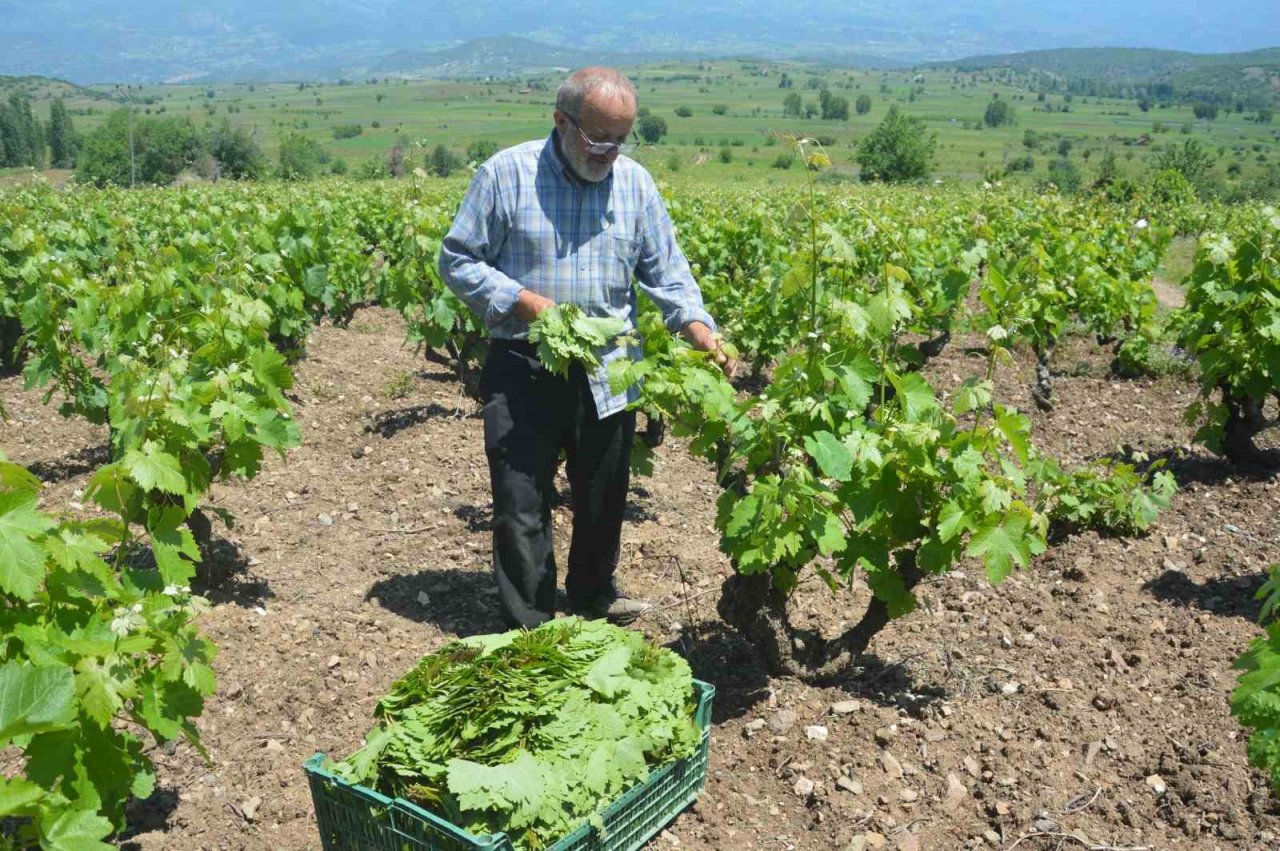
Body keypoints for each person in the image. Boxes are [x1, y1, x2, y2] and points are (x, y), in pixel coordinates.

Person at [438, 66, 729, 630]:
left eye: (621, 139)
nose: (609, 152)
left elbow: (667, 272)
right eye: (598, 138)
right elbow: (457, 260)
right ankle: (531, 621)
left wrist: (695, 325)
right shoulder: (506, 175)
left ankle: (594, 593)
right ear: (560, 121)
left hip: (611, 369)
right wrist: (523, 300)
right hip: (524, 364)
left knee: (603, 495)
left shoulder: (637, 185)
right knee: (520, 500)